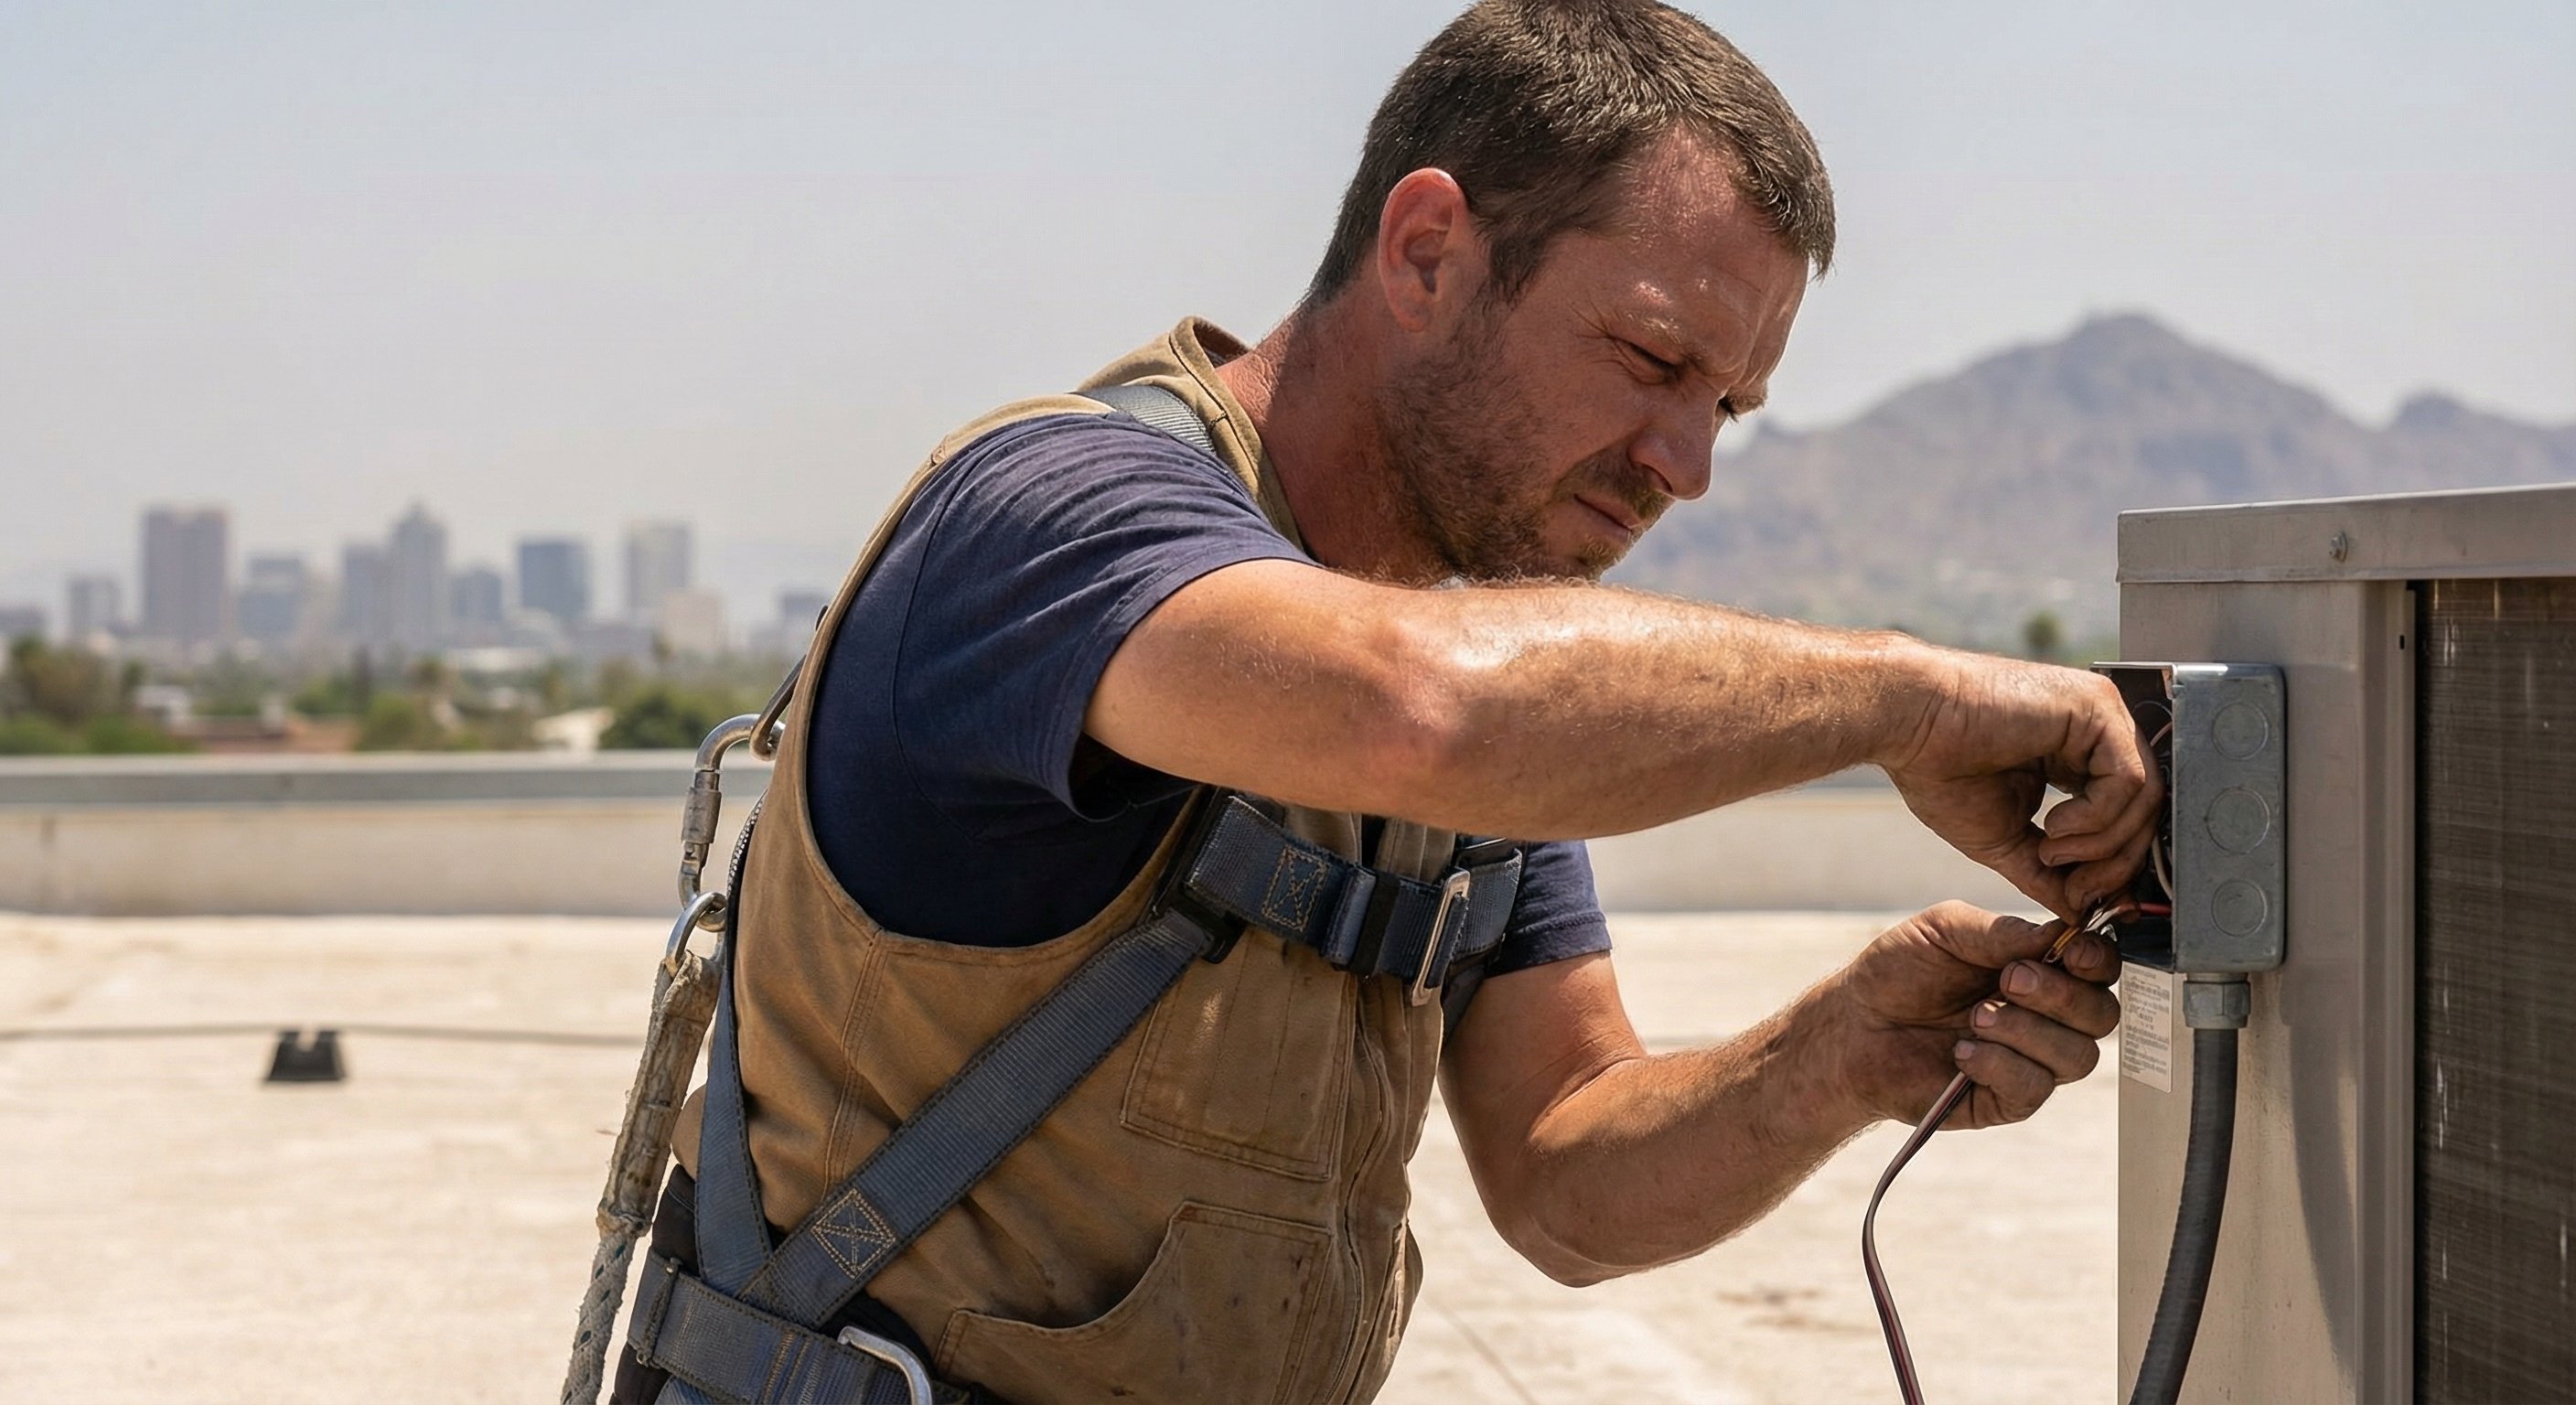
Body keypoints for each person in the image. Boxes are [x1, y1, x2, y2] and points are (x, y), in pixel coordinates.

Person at [612, 3, 2152, 1401]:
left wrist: (1843, 1055)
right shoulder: (1057, 514)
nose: (1685, 465)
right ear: (1426, 253)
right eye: (1652, 356)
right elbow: (1424, 714)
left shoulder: (1488, 680)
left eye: (1727, 407)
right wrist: (1907, 699)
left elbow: (1565, 1179)